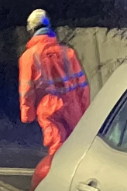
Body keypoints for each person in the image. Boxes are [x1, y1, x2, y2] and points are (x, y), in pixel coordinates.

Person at [18, 9, 90, 158]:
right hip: (73, 107)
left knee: (57, 150)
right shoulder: (68, 53)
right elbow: (82, 86)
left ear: (31, 30)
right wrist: (85, 110)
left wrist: (27, 115)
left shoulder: (28, 57)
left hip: (49, 110)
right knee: (77, 148)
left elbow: (27, 90)